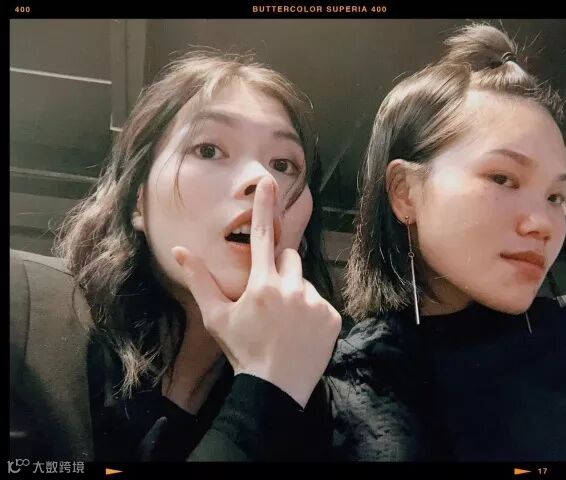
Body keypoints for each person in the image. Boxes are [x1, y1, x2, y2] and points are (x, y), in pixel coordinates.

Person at [10, 51, 341, 462]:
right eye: (208, 150)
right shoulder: (22, 309)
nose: (262, 181)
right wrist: (263, 396)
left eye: (283, 164)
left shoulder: (313, 405)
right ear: (137, 201)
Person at [327, 23, 566, 461]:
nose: (543, 224)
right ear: (405, 192)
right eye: (503, 178)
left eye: (555, 197)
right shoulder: (338, 382)